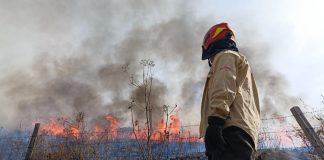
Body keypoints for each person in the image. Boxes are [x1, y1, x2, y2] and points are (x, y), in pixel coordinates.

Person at [199, 22, 261, 160]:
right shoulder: (240, 63)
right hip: (243, 132)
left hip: (229, 130)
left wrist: (215, 122)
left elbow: (224, 86)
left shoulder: (225, 55)